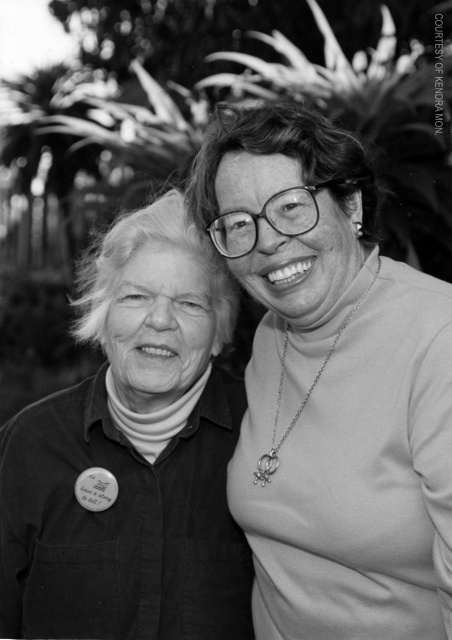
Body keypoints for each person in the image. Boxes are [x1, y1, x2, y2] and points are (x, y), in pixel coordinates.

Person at [186, 101, 452, 640]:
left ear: (350, 204)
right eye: (238, 224)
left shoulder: (437, 337)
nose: (267, 241)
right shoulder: (269, 338)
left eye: (290, 206)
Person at [0, 190, 254, 640]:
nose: (160, 320)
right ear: (102, 314)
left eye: (190, 303)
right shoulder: (31, 443)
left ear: (220, 330)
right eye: (137, 296)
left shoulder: (264, 434)